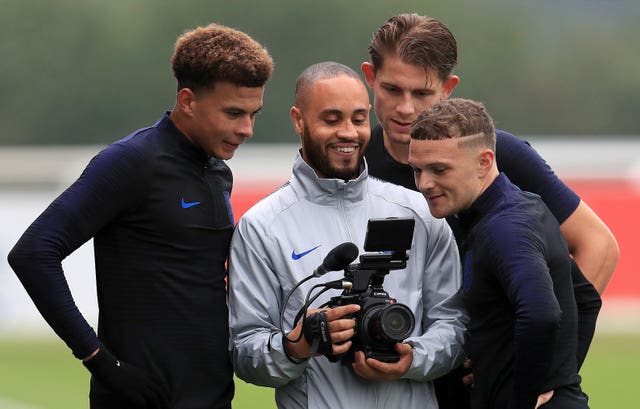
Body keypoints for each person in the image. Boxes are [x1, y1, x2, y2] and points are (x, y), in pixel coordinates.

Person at [7, 23, 273, 409]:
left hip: (213, 398)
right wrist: (98, 359)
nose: (246, 129)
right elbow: (33, 253)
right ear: (187, 101)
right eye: (233, 113)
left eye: (254, 114)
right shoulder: (132, 162)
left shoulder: (218, 172)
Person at [361, 13, 618, 408]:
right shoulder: (354, 163)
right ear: (370, 78)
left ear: (448, 89)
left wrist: (540, 369)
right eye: (393, 89)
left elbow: (598, 245)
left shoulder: (499, 155)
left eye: (422, 93)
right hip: (392, 384)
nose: (405, 109)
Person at [227, 61, 467, 409]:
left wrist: (411, 358)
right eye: (331, 119)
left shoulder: (419, 212)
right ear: (298, 120)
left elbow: (455, 325)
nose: (349, 132)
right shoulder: (262, 227)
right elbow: (245, 352)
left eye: (357, 118)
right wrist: (298, 344)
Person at [409, 97, 589, 409]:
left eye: (439, 169)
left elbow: (540, 314)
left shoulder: (504, 228)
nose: (424, 183)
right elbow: (586, 297)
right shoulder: (515, 209)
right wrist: (557, 377)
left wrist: (534, 388)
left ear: (484, 162)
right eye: (417, 170)